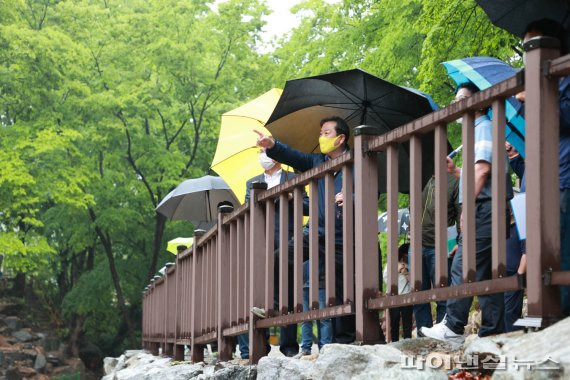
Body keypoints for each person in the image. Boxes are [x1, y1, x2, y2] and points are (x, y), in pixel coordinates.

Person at [421, 82, 513, 344]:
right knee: (486, 273)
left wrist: (467, 208)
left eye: (462, 99)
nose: (457, 105)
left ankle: (453, 326)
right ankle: (494, 333)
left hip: (485, 209)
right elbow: (484, 171)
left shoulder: (482, 127)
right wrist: (457, 172)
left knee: (464, 265)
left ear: (480, 102)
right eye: (455, 101)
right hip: (492, 207)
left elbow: (483, 171)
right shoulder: (481, 130)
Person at [253, 116, 356, 347]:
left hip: (342, 236)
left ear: (341, 138)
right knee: (280, 258)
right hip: (315, 232)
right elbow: (294, 156)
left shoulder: (356, 161)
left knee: (342, 290)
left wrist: (349, 197)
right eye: (320, 133)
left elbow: (368, 192)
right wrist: (272, 146)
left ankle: (344, 343)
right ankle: (279, 307)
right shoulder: (317, 161)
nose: (321, 137)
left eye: (326, 133)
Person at [516, 19, 570, 317]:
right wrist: (527, 102)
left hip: (563, 178)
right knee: (540, 253)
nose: (528, 55)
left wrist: (538, 97)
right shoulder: (539, 82)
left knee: (560, 253)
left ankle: (559, 320)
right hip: (539, 181)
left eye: (532, 46)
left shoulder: (565, 76)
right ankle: (547, 316)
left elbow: (565, 118)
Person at [239, 149, 307, 359]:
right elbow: (248, 209)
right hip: (260, 241)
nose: (262, 155)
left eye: (265, 151)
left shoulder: (294, 178)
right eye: (260, 152)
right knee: (258, 291)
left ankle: (288, 346)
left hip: (288, 241)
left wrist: (289, 195)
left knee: (288, 291)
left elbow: (306, 205)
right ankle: (261, 345)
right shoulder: (252, 182)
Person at [414, 173, 460, 333]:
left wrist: (460, 240)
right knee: (418, 296)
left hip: (440, 245)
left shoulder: (454, 181)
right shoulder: (425, 179)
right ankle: (423, 335)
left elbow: (461, 212)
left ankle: (442, 334)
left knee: (442, 294)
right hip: (417, 243)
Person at [385, 244, 412, 341]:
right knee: (394, 322)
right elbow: (386, 278)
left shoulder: (410, 265)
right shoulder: (390, 264)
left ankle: (408, 341)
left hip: (407, 296)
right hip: (394, 297)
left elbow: (413, 282)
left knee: (407, 323)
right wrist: (397, 270)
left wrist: (406, 272)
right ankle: (394, 342)